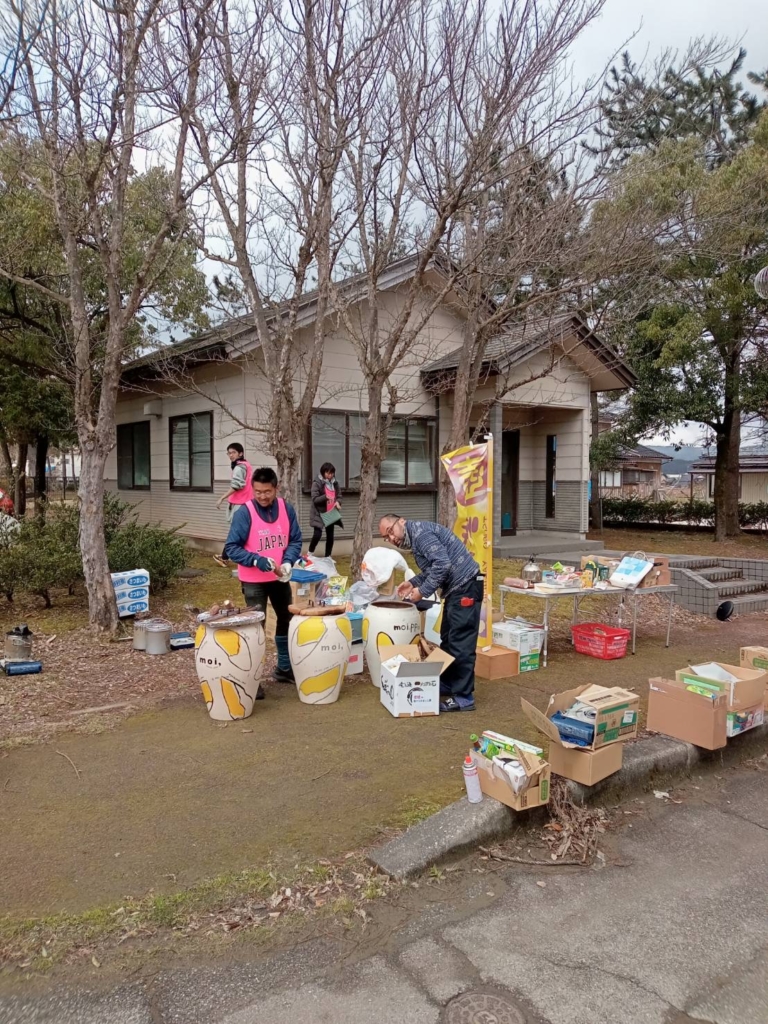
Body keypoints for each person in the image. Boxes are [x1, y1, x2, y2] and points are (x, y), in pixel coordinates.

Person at [378, 514, 483, 712]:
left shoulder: (421, 535)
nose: (392, 539)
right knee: (448, 638)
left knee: (461, 641)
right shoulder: (417, 538)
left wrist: (422, 592)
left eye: (391, 531)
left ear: (401, 521)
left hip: (466, 586)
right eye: (386, 537)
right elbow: (434, 568)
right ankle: (450, 682)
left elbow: (443, 565)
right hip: (456, 589)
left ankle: (464, 696)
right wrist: (413, 583)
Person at [224, 466, 303, 683]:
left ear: (275, 489)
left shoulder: (286, 509)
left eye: (267, 491)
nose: (262, 496)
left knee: (286, 619)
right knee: (255, 628)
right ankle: (253, 680)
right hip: (253, 581)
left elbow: (295, 540)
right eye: (257, 491)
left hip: (279, 578)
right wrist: (256, 559)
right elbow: (232, 547)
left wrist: (288, 561)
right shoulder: (244, 513)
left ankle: (284, 669)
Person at [213, 443, 253, 568]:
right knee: (242, 531)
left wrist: (222, 497)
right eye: (229, 453)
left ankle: (225, 557)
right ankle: (227, 556)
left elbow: (236, 485)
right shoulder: (246, 465)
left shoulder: (239, 467)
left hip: (239, 504)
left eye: (233, 452)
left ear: (240, 453)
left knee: (235, 532)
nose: (231, 455)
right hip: (247, 502)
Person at [308, 462, 342, 558]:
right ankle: (310, 553)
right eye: (327, 473)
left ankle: (328, 556)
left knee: (330, 536)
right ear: (323, 472)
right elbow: (315, 499)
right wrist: (325, 497)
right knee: (317, 534)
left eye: (331, 473)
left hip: (330, 512)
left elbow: (339, 496)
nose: (329, 475)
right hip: (319, 513)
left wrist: (338, 502)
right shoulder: (317, 483)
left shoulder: (335, 483)